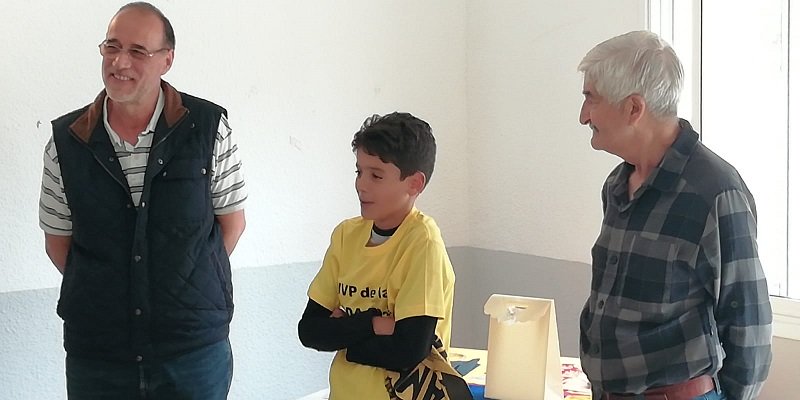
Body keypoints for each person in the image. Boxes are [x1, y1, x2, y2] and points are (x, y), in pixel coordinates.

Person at [38, 2, 246, 398]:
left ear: (167, 60)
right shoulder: (66, 142)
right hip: (99, 354)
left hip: (193, 352)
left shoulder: (209, 128)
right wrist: (115, 288)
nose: (120, 62)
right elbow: (57, 243)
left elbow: (231, 225)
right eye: (112, 47)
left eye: (137, 51)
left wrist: (182, 284)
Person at [576, 30, 772, 400]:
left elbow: (749, 324)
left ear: (634, 108)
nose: (583, 116)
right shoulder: (616, 185)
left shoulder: (716, 191)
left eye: (591, 98)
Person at [298, 112, 463, 399]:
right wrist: (374, 323)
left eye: (376, 175)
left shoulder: (422, 241)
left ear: (414, 184)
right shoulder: (346, 235)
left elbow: (407, 350)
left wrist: (343, 337)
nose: (361, 185)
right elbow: (310, 331)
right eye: (358, 172)